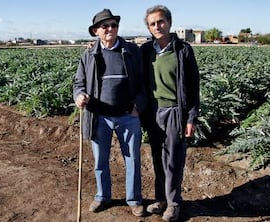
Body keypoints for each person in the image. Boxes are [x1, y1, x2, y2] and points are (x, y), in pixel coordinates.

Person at [73, 8, 147, 217]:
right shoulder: (88, 55)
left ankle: (134, 199)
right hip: (99, 117)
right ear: (96, 31)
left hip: (128, 116)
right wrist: (79, 96)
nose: (110, 29)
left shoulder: (131, 51)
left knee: (132, 159)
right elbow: (78, 83)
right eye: (105, 26)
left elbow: (143, 83)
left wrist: (137, 106)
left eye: (113, 25)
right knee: (100, 160)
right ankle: (102, 196)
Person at [140, 5, 200, 222]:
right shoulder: (146, 51)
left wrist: (191, 117)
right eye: (152, 23)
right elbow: (123, 54)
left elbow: (194, 87)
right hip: (154, 112)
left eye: (161, 21)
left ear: (169, 22)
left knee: (173, 160)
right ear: (149, 27)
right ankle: (161, 199)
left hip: (175, 112)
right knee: (158, 158)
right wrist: (94, 46)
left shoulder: (183, 50)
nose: (157, 26)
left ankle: (174, 203)